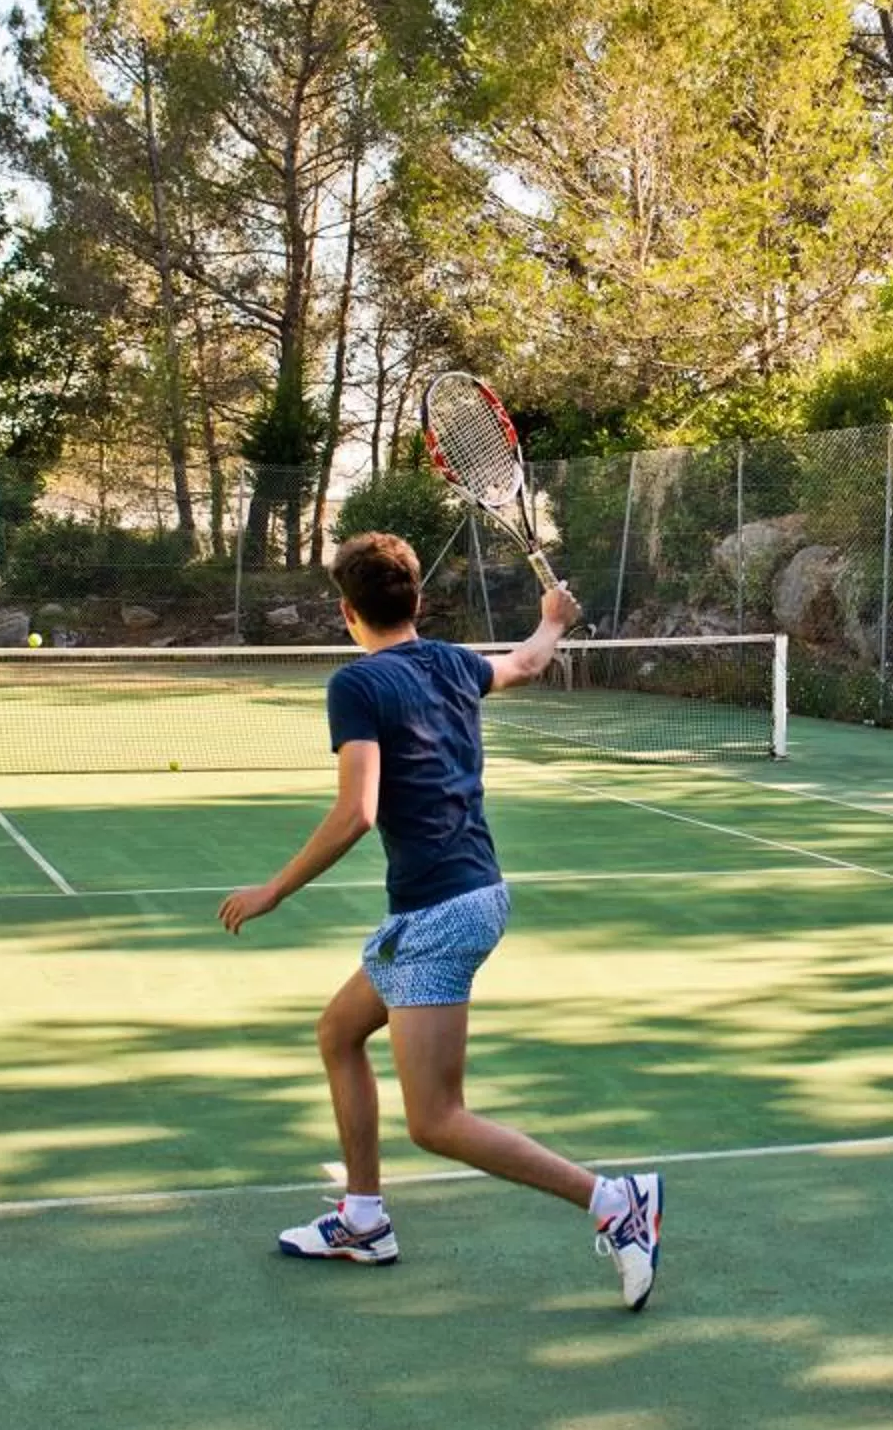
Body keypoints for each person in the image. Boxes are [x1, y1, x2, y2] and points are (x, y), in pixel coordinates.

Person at [217, 532, 664, 1310]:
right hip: (463, 897)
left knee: (436, 1120)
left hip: (441, 912)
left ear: (347, 612)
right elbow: (524, 662)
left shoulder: (358, 686)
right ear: (416, 601)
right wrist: (553, 618)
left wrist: (274, 891)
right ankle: (362, 1219)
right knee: (338, 1033)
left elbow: (356, 812)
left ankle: (615, 1202)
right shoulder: (454, 661)